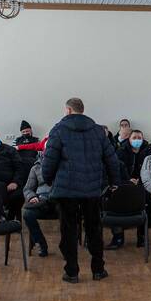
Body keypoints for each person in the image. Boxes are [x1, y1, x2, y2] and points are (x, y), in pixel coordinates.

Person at [43, 97, 122, 283]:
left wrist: (48, 179)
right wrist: (114, 181)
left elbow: (49, 159)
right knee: (94, 229)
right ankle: (98, 269)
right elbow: (111, 159)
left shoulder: (59, 130)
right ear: (82, 110)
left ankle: (72, 272)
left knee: (68, 231)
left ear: (68, 110)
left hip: (66, 190)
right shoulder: (97, 131)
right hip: (92, 189)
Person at [110, 130, 151, 248]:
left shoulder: (147, 152)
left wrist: (140, 180)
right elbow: (116, 171)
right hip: (124, 184)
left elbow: (150, 171)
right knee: (115, 200)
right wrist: (128, 180)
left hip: (142, 184)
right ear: (129, 139)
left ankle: (141, 237)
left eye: (139, 137)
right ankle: (118, 237)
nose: (137, 140)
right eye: (134, 137)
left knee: (149, 200)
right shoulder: (121, 151)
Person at [21, 157, 55, 257]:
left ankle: (67, 246)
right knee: (27, 214)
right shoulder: (36, 167)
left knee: (67, 212)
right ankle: (40, 243)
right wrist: (32, 197)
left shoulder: (63, 164)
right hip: (41, 200)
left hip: (58, 199)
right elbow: (27, 189)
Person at [0, 129, 22, 220]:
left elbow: (19, 168)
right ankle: (1, 216)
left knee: (17, 196)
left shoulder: (10, 150)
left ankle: (7, 218)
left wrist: (15, 182)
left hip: (10, 183)